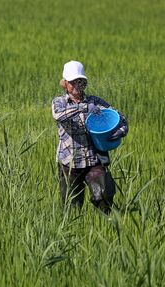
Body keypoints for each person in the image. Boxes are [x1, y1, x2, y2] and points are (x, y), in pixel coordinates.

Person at [51, 60, 128, 214]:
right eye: (72, 82)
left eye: (80, 82)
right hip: (69, 162)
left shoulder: (96, 102)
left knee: (104, 196)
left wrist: (122, 130)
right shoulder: (59, 103)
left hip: (94, 159)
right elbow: (58, 116)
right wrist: (83, 107)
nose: (76, 86)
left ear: (84, 83)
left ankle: (109, 225)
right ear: (65, 84)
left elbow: (119, 117)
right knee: (71, 207)